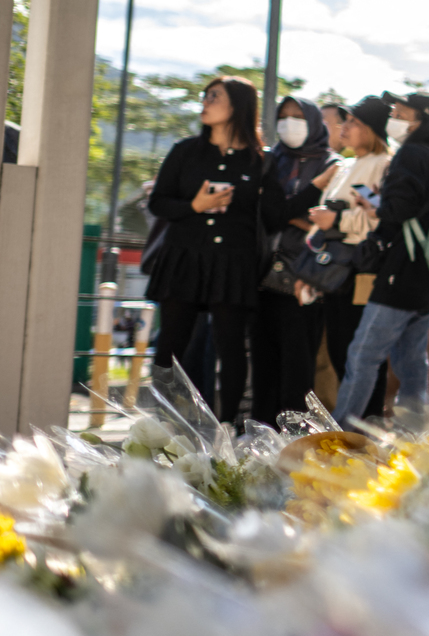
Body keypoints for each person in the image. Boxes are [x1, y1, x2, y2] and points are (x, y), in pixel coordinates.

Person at [147, 76, 285, 422]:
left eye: (214, 96)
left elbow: (276, 215)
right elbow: (158, 203)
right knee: (170, 345)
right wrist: (194, 206)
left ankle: (227, 429)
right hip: (184, 257)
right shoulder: (185, 151)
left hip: (233, 263)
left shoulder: (261, 161)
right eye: (205, 96)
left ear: (238, 106)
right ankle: (164, 424)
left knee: (231, 348)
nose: (205, 102)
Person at [334, 91, 429, 423]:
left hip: (401, 272)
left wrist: (379, 206)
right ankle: (417, 433)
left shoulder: (411, 154)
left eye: (401, 112)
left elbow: (401, 209)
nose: (394, 117)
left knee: (363, 354)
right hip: (427, 274)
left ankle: (341, 432)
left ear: (419, 120)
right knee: (411, 361)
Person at [249, 96, 336, 425]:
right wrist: (298, 217)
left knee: (299, 366)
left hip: (306, 278)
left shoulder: (333, 164)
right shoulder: (270, 161)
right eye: (282, 116)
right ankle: (260, 436)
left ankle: (294, 438)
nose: (289, 123)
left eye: (297, 116)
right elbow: (266, 215)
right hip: (262, 274)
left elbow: (333, 222)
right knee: (263, 363)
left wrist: (289, 215)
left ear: (313, 122)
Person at [310, 95, 394, 415]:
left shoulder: (385, 165)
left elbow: (379, 218)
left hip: (363, 270)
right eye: (344, 120)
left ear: (372, 130)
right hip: (332, 270)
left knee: (361, 355)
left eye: (354, 122)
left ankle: (365, 431)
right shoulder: (344, 166)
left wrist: (338, 220)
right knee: (338, 350)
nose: (344, 127)